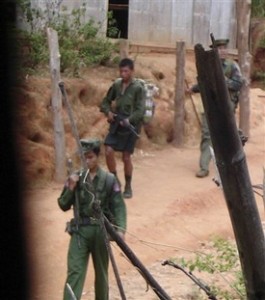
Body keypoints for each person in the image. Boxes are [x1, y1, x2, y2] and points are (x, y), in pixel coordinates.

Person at [58, 139, 127, 300]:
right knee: (75, 271)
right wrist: (70, 187)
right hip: (80, 232)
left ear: (97, 156)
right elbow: (63, 204)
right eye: (84, 158)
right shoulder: (76, 177)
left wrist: (121, 230)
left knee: (102, 274)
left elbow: (119, 207)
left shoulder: (109, 179)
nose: (87, 161)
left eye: (90, 157)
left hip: (101, 231)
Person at [187, 39, 243, 178]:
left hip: (226, 108)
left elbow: (238, 84)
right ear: (214, 51)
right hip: (211, 106)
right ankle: (204, 167)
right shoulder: (208, 66)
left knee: (229, 135)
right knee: (207, 134)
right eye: (220, 48)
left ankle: (233, 165)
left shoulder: (232, 66)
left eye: (225, 47)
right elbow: (204, 83)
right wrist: (193, 89)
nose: (223, 50)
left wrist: (223, 81)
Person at [100, 58, 145, 198]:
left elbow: (140, 110)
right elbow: (105, 102)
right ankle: (115, 181)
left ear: (132, 71)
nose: (123, 73)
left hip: (131, 125)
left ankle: (128, 186)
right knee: (108, 150)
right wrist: (108, 113)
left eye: (126, 71)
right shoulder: (116, 85)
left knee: (126, 157)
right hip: (117, 122)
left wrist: (129, 120)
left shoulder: (138, 88)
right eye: (121, 71)